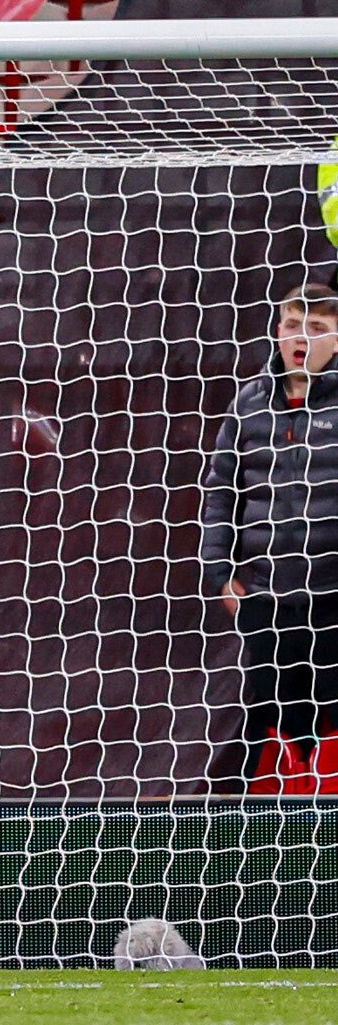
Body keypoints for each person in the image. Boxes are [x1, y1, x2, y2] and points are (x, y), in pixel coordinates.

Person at [203, 282, 338, 790]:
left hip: (332, 599)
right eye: (292, 325)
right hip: (268, 599)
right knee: (276, 713)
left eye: (318, 328)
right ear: (278, 330)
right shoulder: (249, 404)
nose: (301, 337)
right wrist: (220, 574)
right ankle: (278, 828)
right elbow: (221, 492)